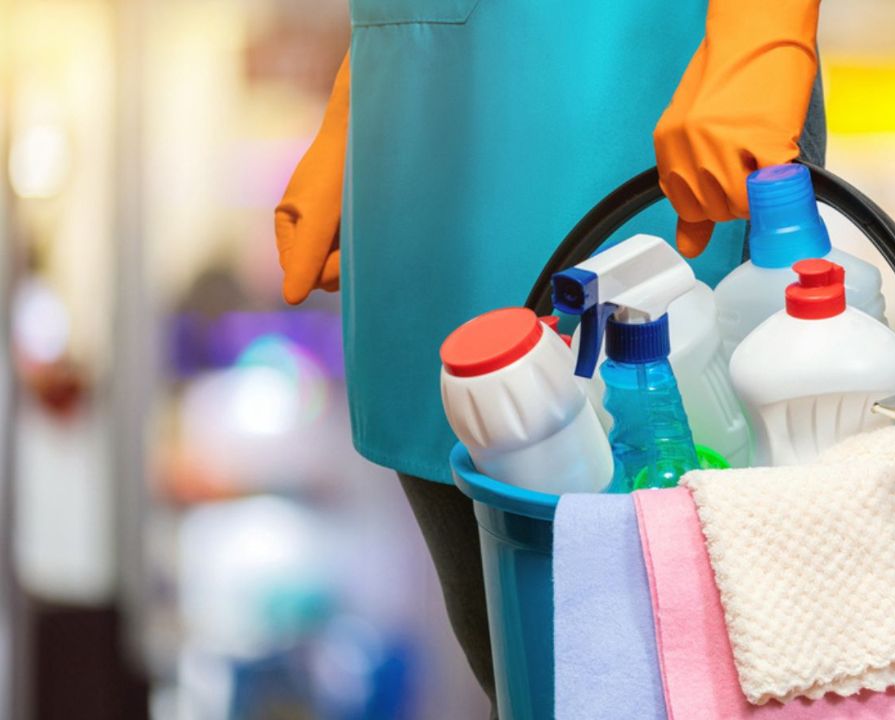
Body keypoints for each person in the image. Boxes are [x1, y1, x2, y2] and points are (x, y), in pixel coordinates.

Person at [274, 1, 827, 715]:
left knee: (698, 657)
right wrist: (367, 83)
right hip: (423, 100)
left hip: (629, 68)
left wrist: (764, 28)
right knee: (525, 668)